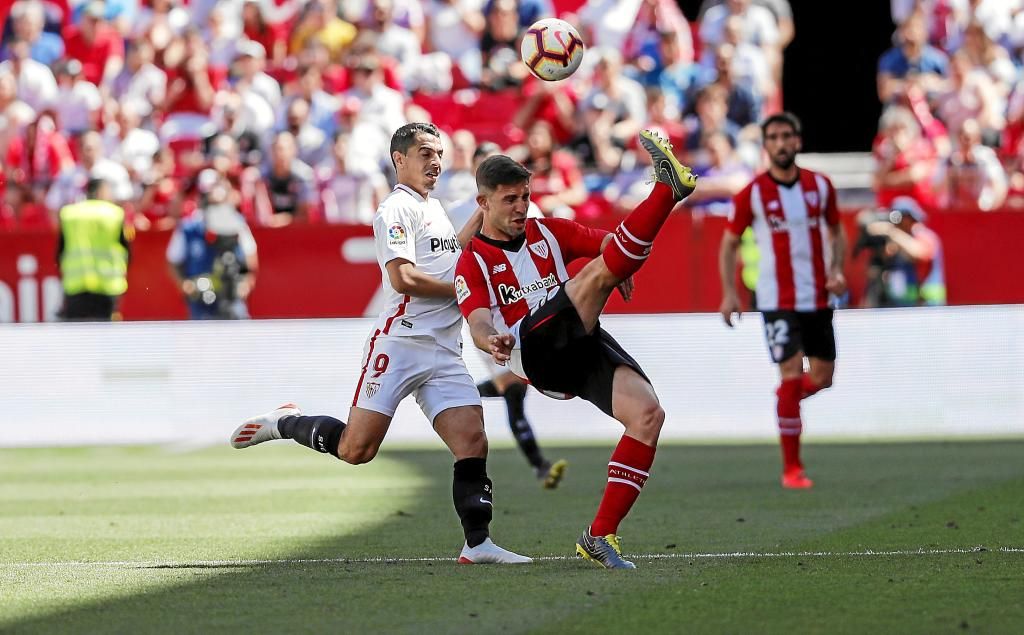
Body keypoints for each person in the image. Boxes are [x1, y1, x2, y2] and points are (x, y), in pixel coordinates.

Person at [229, 123, 530, 565]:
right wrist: (466, 292)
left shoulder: (434, 208)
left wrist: (485, 215)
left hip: (444, 350)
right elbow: (403, 277)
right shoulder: (395, 210)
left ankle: (477, 543)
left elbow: (453, 259)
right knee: (357, 450)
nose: (435, 162)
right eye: (425, 153)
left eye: (439, 154)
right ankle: (286, 422)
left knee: (472, 440)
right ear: (399, 160)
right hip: (401, 344)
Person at [456, 131, 698, 569]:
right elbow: (476, 318)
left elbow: (607, 241)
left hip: (580, 342)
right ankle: (666, 191)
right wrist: (491, 339)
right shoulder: (472, 260)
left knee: (647, 415)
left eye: (525, 197)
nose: (520, 207)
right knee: (590, 277)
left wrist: (616, 263)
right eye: (509, 199)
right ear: (483, 203)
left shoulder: (548, 232)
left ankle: (600, 535)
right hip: (532, 350)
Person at [718, 112, 847, 490]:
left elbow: (836, 231)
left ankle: (785, 401)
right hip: (776, 299)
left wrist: (837, 269)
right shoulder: (753, 193)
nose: (780, 143)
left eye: (786, 136)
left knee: (822, 378)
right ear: (766, 146)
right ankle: (792, 469)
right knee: (791, 372)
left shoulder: (820, 186)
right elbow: (728, 242)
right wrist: (729, 292)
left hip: (818, 296)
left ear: (797, 141)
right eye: (772, 137)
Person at [450, 140, 567, 489]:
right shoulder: (457, 210)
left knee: (514, 388)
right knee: (514, 390)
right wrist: (482, 213)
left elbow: (542, 243)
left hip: (524, 307)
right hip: (489, 313)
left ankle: (459, 390)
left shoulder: (525, 207)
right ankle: (540, 465)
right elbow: (453, 253)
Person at [166, 170, 258, 320]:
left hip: (232, 298)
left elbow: (250, 260)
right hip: (201, 302)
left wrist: (246, 283)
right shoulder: (189, 227)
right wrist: (184, 285)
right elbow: (173, 261)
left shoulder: (237, 224)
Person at [56, 178, 130, 321]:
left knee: (77, 337)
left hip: (76, 286)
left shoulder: (69, 214)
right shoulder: (115, 214)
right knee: (105, 337)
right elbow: (127, 251)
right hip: (107, 286)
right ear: (100, 191)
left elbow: (60, 252)